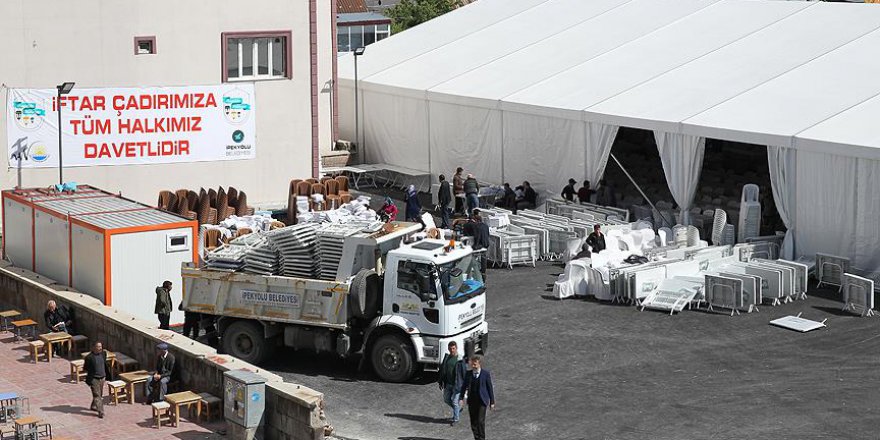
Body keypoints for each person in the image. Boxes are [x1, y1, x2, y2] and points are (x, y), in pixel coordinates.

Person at [459, 355, 495, 440]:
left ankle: (482, 438)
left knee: (480, 421)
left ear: (479, 364)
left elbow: (490, 388)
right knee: (473, 422)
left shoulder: (485, 374)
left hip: (482, 401)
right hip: (472, 401)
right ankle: (477, 438)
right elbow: (464, 386)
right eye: (472, 364)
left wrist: (492, 402)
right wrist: (461, 398)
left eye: (475, 364)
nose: (473, 366)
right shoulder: (468, 374)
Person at [438, 341, 465, 425]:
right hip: (448, 384)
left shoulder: (460, 360)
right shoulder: (447, 358)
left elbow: (464, 373)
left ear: (456, 348)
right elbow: (442, 370)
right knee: (446, 399)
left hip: (457, 385)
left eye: (453, 348)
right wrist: (440, 381)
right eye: (450, 348)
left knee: (454, 401)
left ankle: (456, 419)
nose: (452, 350)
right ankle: (457, 409)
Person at [84, 341, 111, 418]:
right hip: (94, 379)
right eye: (98, 347)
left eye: (100, 346)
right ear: (93, 348)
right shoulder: (89, 357)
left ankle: (93, 406)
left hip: (102, 377)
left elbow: (105, 364)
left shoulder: (103, 354)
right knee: (97, 395)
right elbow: (86, 368)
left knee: (99, 394)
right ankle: (101, 411)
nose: (100, 348)